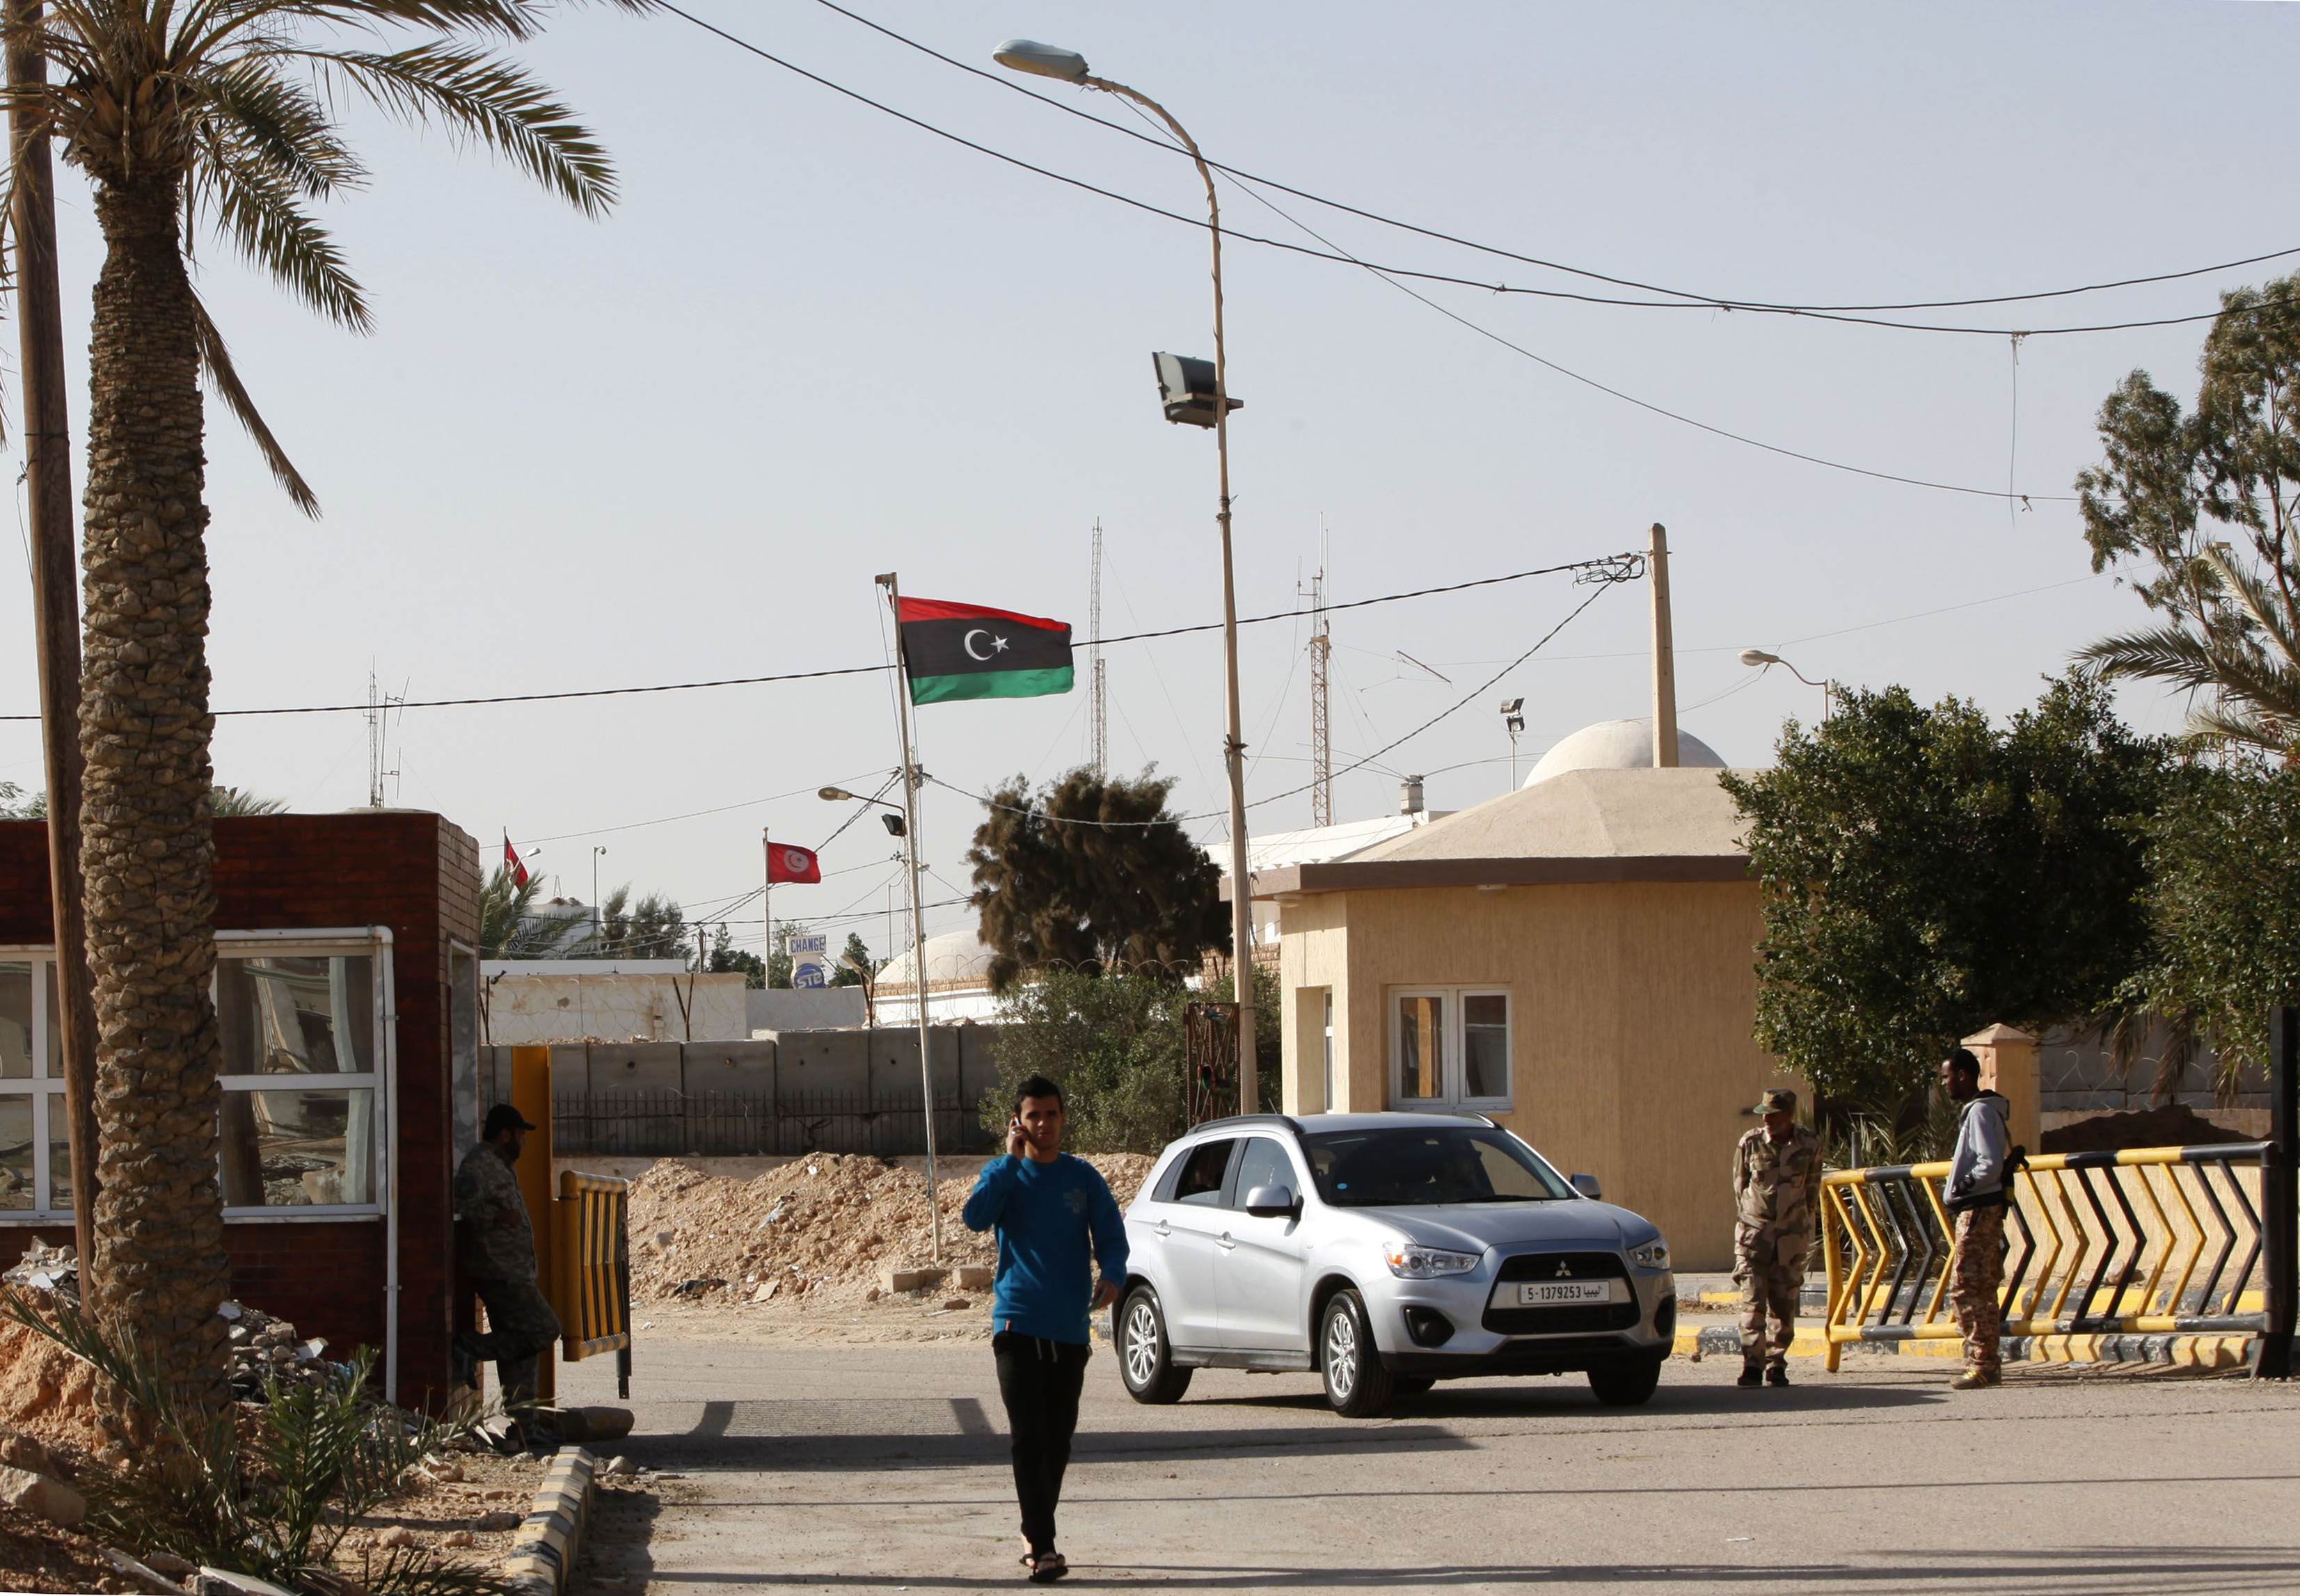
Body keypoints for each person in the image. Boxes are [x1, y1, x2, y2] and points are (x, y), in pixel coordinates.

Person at [961, 1075, 1127, 1585]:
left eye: (1051, 1114)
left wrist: (1114, 1276)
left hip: (1069, 1328)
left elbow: (1112, 1237)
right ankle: (1045, 1547)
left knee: (1057, 1441)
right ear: (1019, 1121)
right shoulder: (1003, 1173)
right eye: (1033, 1115)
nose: (1043, 1124)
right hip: (1016, 1323)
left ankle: (1035, 1529)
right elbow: (974, 1218)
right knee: (1028, 1437)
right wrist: (1009, 1163)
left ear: (1063, 1118)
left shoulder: (1082, 1177)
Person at [453, 1103, 562, 1437]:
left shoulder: (498, 1165)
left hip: (512, 1269)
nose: (523, 1142)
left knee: (521, 1348)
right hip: (499, 1271)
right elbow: (461, 1209)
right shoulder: (479, 1165)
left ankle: (524, 1426)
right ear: (505, 1134)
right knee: (543, 1330)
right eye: (519, 1135)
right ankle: (470, 1348)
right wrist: (498, 1218)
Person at [1731, 1087, 1823, 1389]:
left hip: (1790, 1237)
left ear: (1788, 1115)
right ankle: (1752, 1365)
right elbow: (1740, 1187)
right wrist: (1751, 1222)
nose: (1767, 1120)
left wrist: (1800, 1226)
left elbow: (1811, 1189)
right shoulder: (1751, 1143)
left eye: (1773, 1115)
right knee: (1753, 1301)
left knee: (1783, 1305)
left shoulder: (1809, 1144)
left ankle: (1777, 1363)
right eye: (1764, 1115)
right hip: (1755, 1236)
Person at [1942, 1047, 2012, 1389]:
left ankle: (1983, 1362)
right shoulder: (1978, 1111)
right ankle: (1982, 1361)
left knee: (1967, 1286)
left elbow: (1989, 1162)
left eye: (1947, 1076)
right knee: (1979, 1286)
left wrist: (1965, 1186)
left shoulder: (1982, 1112)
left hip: (1979, 1206)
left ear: (1964, 1076)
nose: (1945, 1084)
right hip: (1977, 1206)